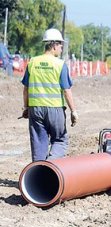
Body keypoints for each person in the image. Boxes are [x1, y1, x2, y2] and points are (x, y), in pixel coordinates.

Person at [21, 28, 78, 162]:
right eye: (60, 44)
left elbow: (26, 89)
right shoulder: (60, 65)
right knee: (60, 140)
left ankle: (38, 174)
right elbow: (66, 90)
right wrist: (73, 111)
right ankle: (50, 166)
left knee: (38, 143)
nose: (61, 47)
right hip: (55, 110)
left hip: (35, 110)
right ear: (53, 45)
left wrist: (26, 108)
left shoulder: (33, 62)